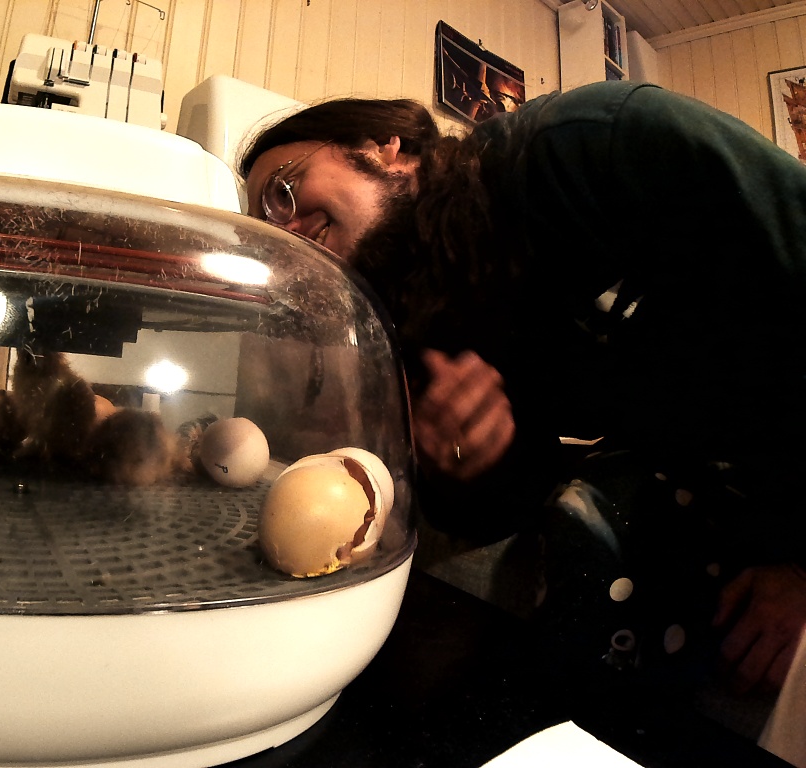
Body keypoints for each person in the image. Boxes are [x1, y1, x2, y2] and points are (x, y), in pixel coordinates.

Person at [238, 81, 806, 704]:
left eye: (283, 191)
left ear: (382, 145)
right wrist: (471, 465)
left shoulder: (589, 146)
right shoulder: (429, 308)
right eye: (268, 230)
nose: (289, 232)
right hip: (701, 470)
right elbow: (517, 497)